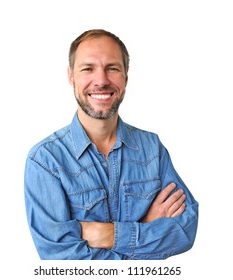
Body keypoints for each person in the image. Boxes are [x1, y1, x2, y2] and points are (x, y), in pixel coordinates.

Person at [24, 29, 198, 260]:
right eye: (88, 69)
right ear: (71, 76)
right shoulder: (45, 160)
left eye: (112, 68)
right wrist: (145, 227)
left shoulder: (152, 148)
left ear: (126, 76)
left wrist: (109, 235)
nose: (101, 81)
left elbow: (185, 229)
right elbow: (61, 259)